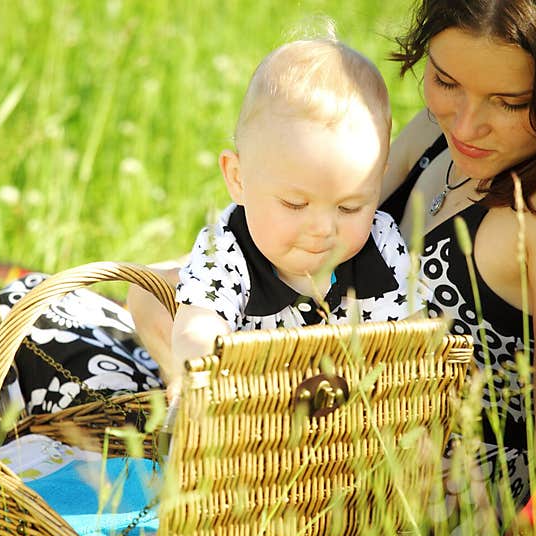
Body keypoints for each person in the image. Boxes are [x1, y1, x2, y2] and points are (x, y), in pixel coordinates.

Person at [127, 0, 536, 536]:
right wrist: (187, 342)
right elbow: (306, 237)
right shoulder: (434, 132)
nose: (467, 124)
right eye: (445, 81)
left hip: (405, 498)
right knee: (83, 320)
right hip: (299, 422)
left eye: (512, 103)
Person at [169, 36, 417, 396]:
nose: (322, 229)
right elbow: (197, 326)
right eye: (295, 204)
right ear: (239, 179)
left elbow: (413, 337)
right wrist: (198, 368)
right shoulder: (224, 248)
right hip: (252, 424)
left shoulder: (381, 241)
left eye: (349, 207)